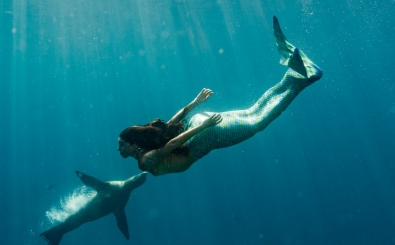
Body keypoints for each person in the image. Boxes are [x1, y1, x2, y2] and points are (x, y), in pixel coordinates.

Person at [117, 17, 322, 176]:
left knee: (259, 121)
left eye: (121, 145)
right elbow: (174, 120)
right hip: (199, 122)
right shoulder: (151, 141)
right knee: (253, 111)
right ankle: (295, 71)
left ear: (133, 144)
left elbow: (170, 146)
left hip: (205, 136)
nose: (119, 149)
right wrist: (196, 103)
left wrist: (203, 127)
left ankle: (304, 77)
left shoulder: (143, 162)